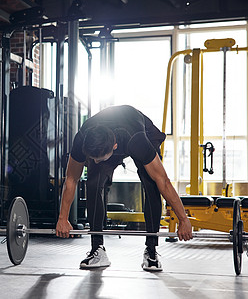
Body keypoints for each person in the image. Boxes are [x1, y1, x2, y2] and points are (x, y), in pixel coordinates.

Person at [55, 105, 193, 271]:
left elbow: (163, 180)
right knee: (92, 183)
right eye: (92, 158)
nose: (95, 162)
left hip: (138, 130)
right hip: (108, 135)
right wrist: (63, 218)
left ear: (114, 148)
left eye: (99, 159)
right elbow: (71, 179)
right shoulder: (82, 139)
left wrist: (183, 219)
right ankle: (97, 249)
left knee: (151, 183)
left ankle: (151, 250)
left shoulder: (137, 141)